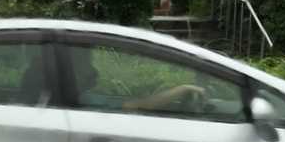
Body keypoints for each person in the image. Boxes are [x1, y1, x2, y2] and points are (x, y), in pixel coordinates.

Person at [69, 47, 205, 113]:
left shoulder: (77, 98)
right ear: (73, 67)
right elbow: (143, 105)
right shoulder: (88, 100)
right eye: (86, 62)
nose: (94, 70)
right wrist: (183, 89)